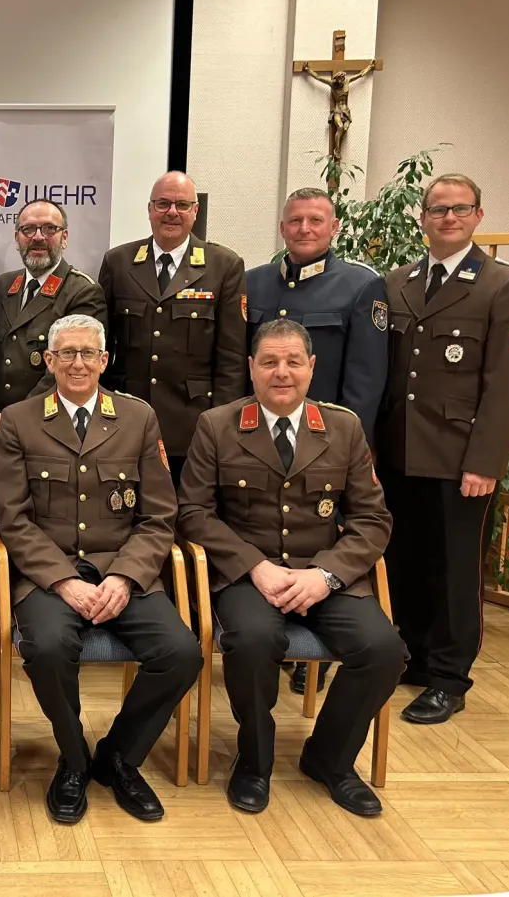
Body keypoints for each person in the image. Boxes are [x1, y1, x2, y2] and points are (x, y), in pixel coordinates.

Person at [178, 319, 404, 817]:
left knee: (385, 649)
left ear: (311, 367)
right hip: (248, 577)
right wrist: (253, 566)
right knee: (254, 641)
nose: (282, 373)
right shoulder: (217, 425)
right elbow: (193, 513)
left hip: (325, 576)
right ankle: (254, 761)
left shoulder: (343, 427)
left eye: (293, 362)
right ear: (252, 369)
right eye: (270, 362)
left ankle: (330, 760)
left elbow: (372, 518)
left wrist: (325, 576)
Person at [0, 314, 201, 825]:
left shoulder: (138, 418)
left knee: (181, 653)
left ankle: (119, 757)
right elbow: (11, 519)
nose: (78, 363)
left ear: (104, 361)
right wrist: (62, 579)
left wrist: (125, 577)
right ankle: (73, 759)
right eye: (66, 353)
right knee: (45, 647)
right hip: (48, 573)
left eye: (88, 353)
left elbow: (159, 516)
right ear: (48, 361)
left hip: (123, 570)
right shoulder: (18, 421)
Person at [378, 174, 509, 725]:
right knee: (404, 560)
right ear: (422, 218)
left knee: (455, 569)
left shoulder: (504, 285)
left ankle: (449, 676)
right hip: (399, 453)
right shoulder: (397, 282)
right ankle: (413, 657)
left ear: (477, 216)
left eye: (459, 209)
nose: (447, 218)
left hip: (458, 459)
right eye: (437, 210)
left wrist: (484, 461)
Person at [245, 186, 389, 695]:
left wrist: (354, 449)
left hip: (327, 447)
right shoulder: (254, 282)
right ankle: (272, 642)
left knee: (320, 544)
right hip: (258, 440)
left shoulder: (360, 285)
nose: (305, 229)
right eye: (295, 221)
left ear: (334, 228)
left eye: (316, 220)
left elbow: (366, 381)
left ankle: (317, 659)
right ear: (282, 228)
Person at [101, 172, 247, 485]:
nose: (172, 212)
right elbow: (101, 346)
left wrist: (222, 426)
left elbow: (232, 359)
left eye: (182, 205)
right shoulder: (119, 262)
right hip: (125, 417)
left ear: (196, 211)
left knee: (186, 517)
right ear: (150, 208)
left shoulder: (223, 265)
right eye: (163, 203)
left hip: (191, 422)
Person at [0, 199, 106, 432]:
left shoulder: (81, 291)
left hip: (49, 425)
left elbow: (72, 367)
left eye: (49, 229)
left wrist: (17, 417)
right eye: (28, 229)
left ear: (64, 237)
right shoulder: (1, 286)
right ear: (17, 239)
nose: (38, 237)